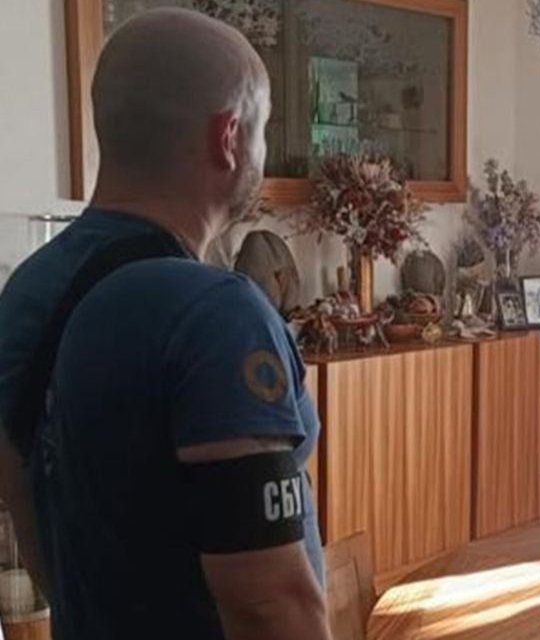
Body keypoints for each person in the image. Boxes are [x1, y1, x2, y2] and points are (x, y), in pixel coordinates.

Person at [0, 9, 331, 638]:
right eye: (262, 129)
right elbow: (269, 605)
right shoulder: (217, 314)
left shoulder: (26, 292)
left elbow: (32, 517)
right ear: (228, 137)